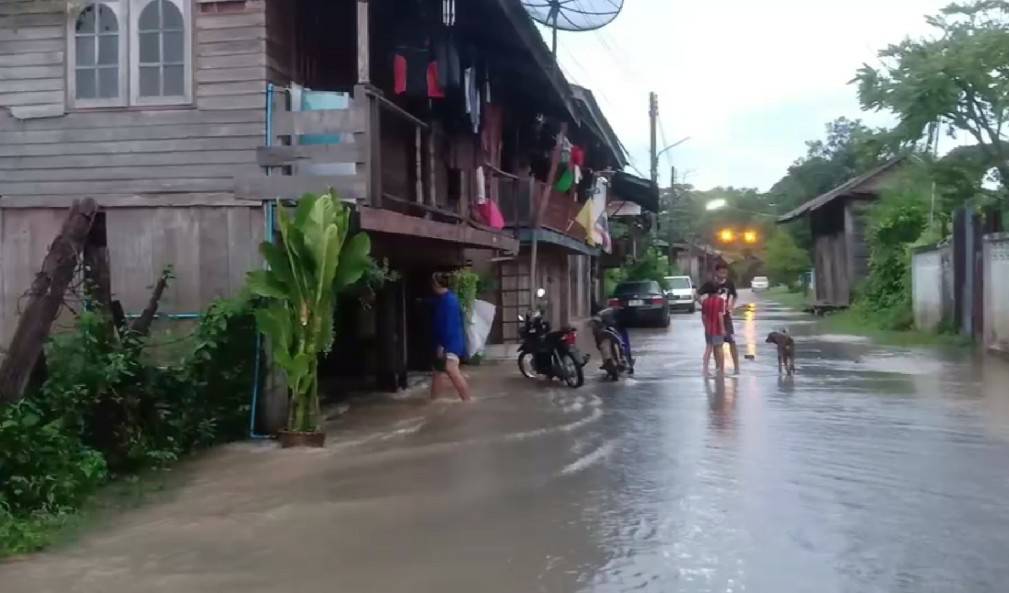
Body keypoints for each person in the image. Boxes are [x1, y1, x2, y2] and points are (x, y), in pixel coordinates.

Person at [429, 272, 472, 402]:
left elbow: (447, 325)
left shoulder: (448, 301)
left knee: (451, 369)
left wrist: (442, 345)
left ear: (436, 284)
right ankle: (433, 402)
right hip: (450, 341)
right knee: (437, 372)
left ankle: (468, 401)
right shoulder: (448, 299)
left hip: (450, 342)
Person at [698, 263, 739, 373]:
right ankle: (718, 367)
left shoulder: (730, 283)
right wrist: (704, 304)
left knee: (732, 341)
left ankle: (736, 367)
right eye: (721, 272)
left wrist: (732, 306)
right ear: (716, 272)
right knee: (717, 344)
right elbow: (697, 294)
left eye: (725, 272)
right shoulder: (710, 284)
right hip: (715, 318)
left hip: (727, 317)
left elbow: (735, 295)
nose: (723, 274)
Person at [701, 291, 727, 374]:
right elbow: (720, 315)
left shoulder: (705, 301)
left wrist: (706, 326)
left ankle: (705, 369)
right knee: (719, 348)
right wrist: (722, 328)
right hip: (717, 329)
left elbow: (703, 316)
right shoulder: (720, 301)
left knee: (708, 348)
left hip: (708, 329)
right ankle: (721, 369)